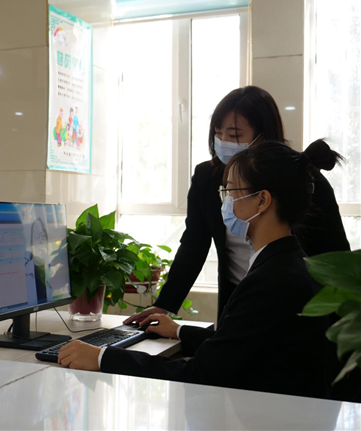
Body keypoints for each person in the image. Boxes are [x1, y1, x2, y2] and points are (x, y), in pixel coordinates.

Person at [57, 140, 341, 399]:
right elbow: (240, 343)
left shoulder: (270, 281)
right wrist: (179, 331)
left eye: (231, 190)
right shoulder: (291, 262)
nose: (224, 200)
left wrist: (102, 358)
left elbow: (200, 375)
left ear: (262, 200)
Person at [125, 86, 350, 324]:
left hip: (298, 306)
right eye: (218, 133)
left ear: (263, 135)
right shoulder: (207, 178)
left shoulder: (303, 180)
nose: (223, 142)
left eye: (233, 135)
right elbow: (193, 245)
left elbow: (336, 258)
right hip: (238, 300)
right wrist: (165, 305)